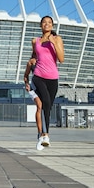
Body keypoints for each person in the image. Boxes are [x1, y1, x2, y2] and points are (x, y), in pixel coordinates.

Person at [31, 15, 64, 150]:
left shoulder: (57, 39)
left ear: (52, 25)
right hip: (38, 76)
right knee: (44, 102)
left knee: (48, 107)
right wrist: (32, 61)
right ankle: (45, 135)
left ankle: (41, 135)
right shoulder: (35, 41)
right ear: (41, 25)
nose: (47, 24)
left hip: (53, 78)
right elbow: (34, 55)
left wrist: (54, 43)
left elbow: (61, 59)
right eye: (44, 22)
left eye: (49, 22)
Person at [23, 56, 44, 150]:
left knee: (45, 108)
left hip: (44, 88)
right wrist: (26, 84)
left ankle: (45, 133)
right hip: (34, 88)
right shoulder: (31, 62)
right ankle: (40, 133)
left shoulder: (46, 60)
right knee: (39, 106)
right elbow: (26, 75)